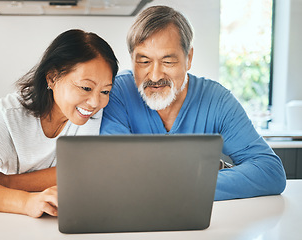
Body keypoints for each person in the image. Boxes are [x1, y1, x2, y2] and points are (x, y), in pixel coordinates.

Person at [100, 5, 286, 200]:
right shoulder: (117, 93)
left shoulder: (217, 100)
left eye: (168, 62)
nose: (154, 76)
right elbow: (116, 170)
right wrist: (199, 174)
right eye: (144, 62)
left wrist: (193, 185)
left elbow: (270, 171)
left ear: (188, 59)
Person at [0, 29, 119, 217]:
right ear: (52, 78)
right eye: (86, 88)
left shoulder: (94, 114)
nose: (96, 103)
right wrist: (27, 202)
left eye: (105, 91)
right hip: (7, 217)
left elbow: (79, 173)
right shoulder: (9, 115)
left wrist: (7, 182)